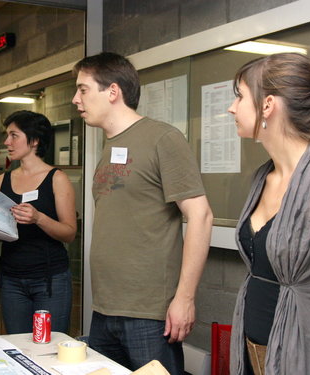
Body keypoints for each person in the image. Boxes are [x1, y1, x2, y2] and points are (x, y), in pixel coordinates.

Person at [72, 52, 213, 374]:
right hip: (105, 308)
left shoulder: (163, 138)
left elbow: (201, 215)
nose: (75, 99)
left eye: (82, 89)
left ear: (112, 91)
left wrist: (184, 299)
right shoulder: (109, 145)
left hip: (149, 313)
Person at [228, 53, 310, 375]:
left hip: (300, 353)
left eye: (239, 96)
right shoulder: (263, 176)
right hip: (253, 347)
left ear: (267, 105)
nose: (231, 108)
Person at [0, 110, 77, 334]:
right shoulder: (3, 180)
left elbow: (69, 233)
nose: (6, 142)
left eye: (13, 135)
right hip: (11, 279)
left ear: (34, 140)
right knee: (18, 346)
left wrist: (38, 218)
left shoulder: (57, 179)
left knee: (49, 347)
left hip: (50, 280)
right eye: (6, 136)